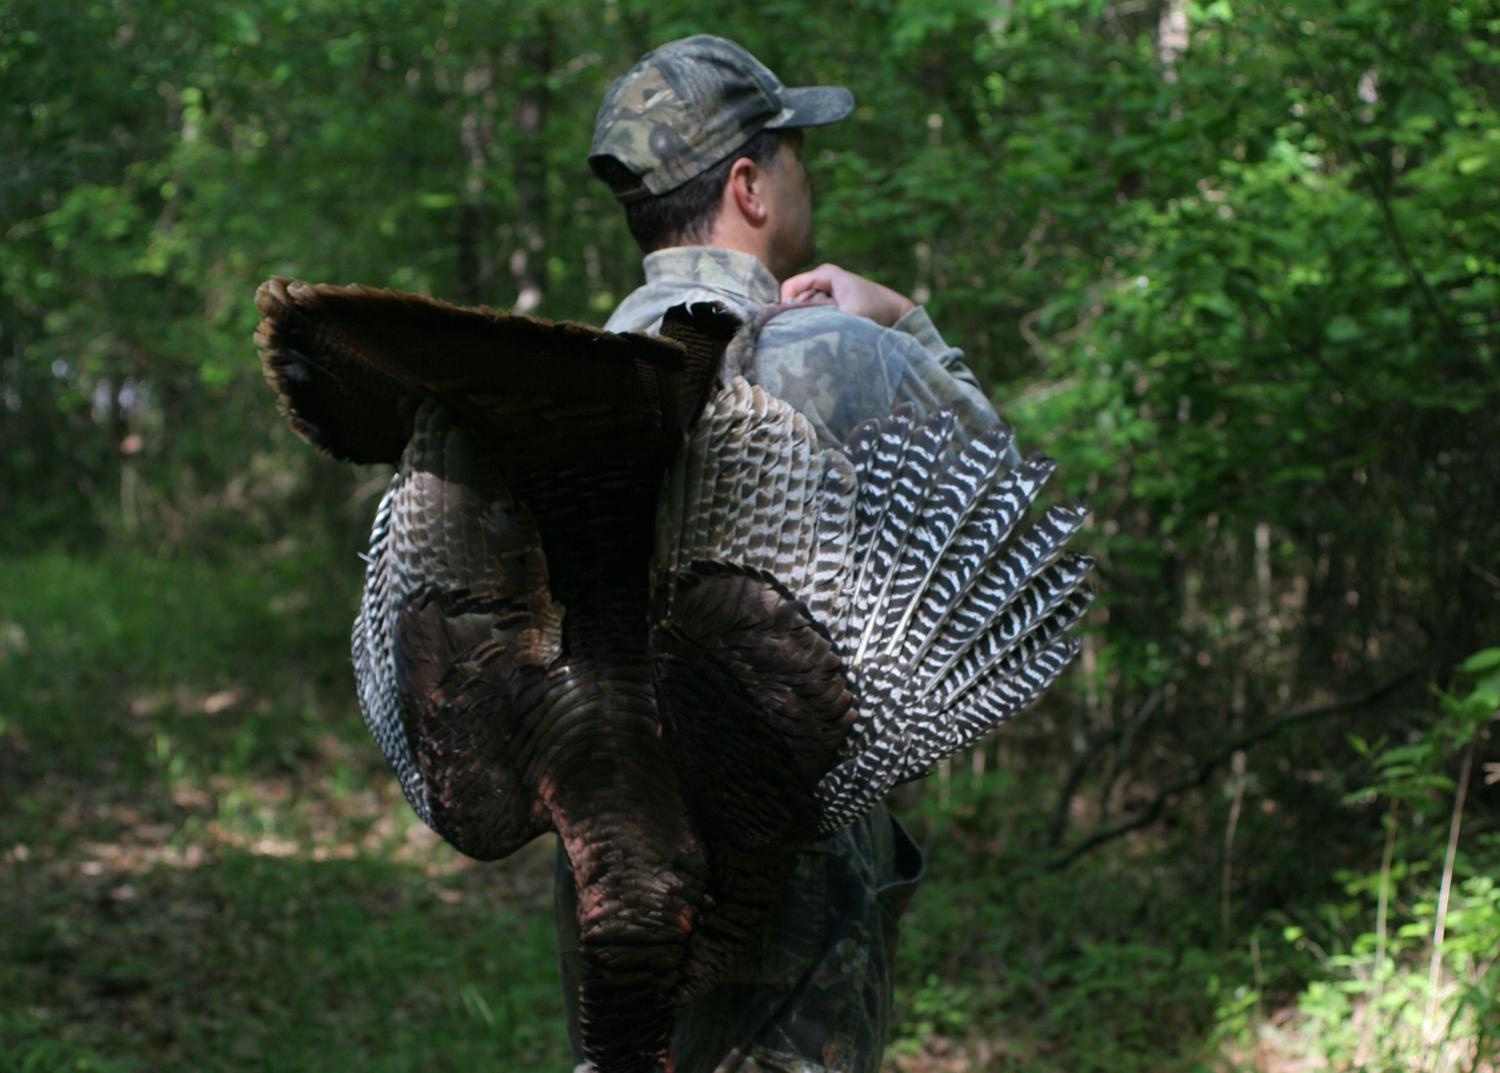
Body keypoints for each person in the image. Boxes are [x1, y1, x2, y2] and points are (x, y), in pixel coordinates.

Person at [556, 34, 1013, 1073]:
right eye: (797, 151)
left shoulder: (574, 366)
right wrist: (907, 324)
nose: (812, 170)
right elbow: (998, 498)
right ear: (750, 187)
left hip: (610, 865)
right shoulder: (834, 354)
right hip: (788, 873)